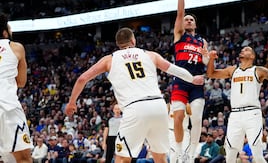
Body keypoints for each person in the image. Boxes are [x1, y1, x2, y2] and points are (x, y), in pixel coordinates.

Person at [65, 27, 204, 163]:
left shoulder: (109, 59)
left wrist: (72, 102)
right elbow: (175, 70)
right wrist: (192, 79)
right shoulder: (150, 54)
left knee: (122, 158)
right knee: (160, 157)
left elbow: (82, 79)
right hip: (158, 106)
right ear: (133, 40)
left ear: (118, 44)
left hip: (135, 108)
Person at [171, 0, 209, 162]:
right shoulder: (179, 36)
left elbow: (209, 67)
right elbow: (179, 13)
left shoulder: (202, 42)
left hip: (197, 82)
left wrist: (209, 59)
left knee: (196, 120)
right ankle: (178, 150)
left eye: (190, 19)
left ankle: (191, 153)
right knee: (178, 117)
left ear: (195, 24)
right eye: (185, 19)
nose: (187, 20)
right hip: (181, 80)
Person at [0, 12, 33, 163]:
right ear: (5, 32)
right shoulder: (16, 47)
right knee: (23, 158)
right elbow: (21, 82)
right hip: (8, 108)